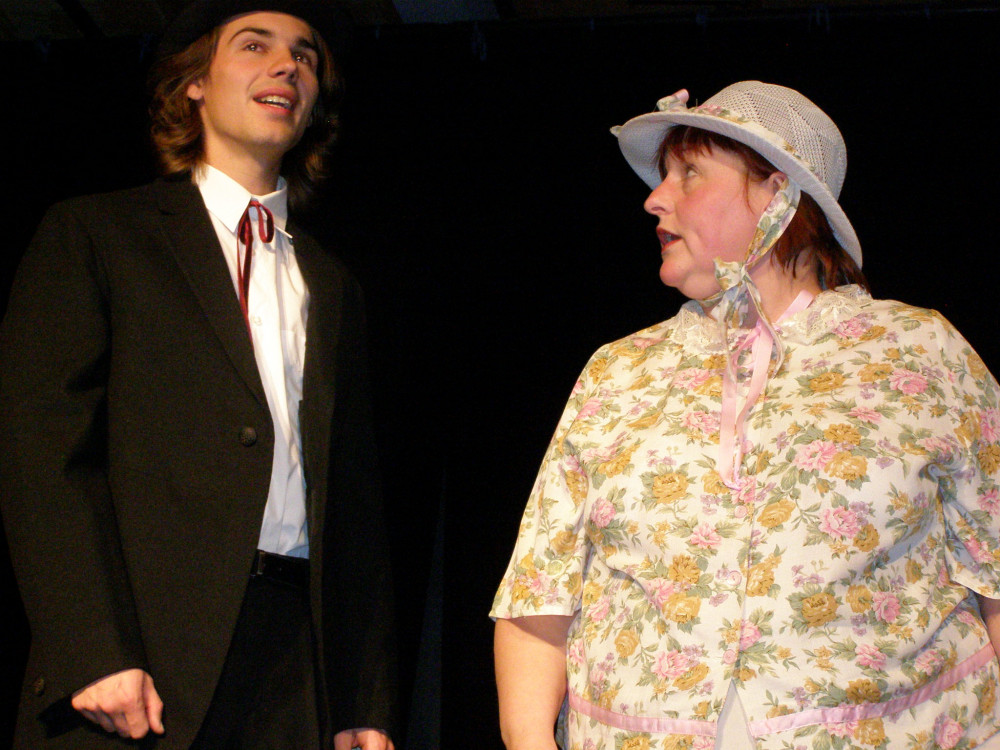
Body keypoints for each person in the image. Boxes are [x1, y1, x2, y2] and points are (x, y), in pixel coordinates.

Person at [491, 81, 1000, 750]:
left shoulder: (920, 351)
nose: (655, 199)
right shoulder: (618, 372)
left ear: (776, 193)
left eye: (689, 173)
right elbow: (539, 593)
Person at [0, 1, 396, 748]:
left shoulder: (332, 281)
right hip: (141, 658)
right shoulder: (99, 235)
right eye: (255, 45)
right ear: (194, 83)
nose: (287, 66)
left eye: (305, 55)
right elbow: (44, 455)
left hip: (294, 665)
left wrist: (361, 700)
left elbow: (354, 501)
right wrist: (92, 648)